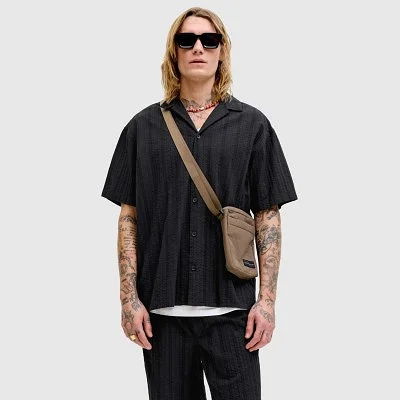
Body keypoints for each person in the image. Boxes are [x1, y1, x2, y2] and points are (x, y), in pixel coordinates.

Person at [101, 7, 297, 400]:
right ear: (173, 52)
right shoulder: (141, 128)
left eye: (209, 40)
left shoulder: (253, 126)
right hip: (162, 318)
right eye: (186, 40)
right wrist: (128, 299)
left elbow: (268, 217)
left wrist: (267, 302)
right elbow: (128, 219)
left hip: (233, 314)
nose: (198, 48)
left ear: (222, 51)